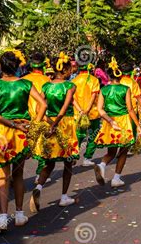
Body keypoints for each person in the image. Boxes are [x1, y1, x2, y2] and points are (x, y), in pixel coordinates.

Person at [0, 50, 47, 231]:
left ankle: (3, 218)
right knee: (19, 175)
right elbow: (43, 104)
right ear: (17, 66)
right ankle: (20, 215)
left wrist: (12, 124)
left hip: (1, 133)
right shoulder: (26, 84)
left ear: (0, 66)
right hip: (22, 132)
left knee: (3, 177)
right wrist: (34, 125)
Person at [30, 52, 79, 212]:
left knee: (49, 162)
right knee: (68, 163)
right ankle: (64, 197)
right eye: (70, 68)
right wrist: (55, 124)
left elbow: (39, 107)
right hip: (65, 125)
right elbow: (65, 108)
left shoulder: (46, 86)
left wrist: (47, 122)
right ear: (64, 70)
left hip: (48, 121)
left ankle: (39, 187)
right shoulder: (70, 86)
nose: (72, 71)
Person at [93, 57, 141, 187]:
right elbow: (130, 109)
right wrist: (138, 125)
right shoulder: (125, 89)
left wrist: (109, 120)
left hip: (110, 122)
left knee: (111, 151)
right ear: (120, 75)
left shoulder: (104, 90)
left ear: (108, 76)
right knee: (123, 151)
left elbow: (100, 109)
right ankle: (116, 178)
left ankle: (102, 165)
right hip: (124, 121)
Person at [22, 53, 51, 184]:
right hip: (43, 117)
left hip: (26, 118)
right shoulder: (47, 81)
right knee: (43, 147)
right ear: (44, 65)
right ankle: (39, 174)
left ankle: (14, 175)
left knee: (23, 147)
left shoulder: (23, 80)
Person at [72, 63, 101, 167]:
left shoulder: (74, 81)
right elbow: (94, 95)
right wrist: (87, 109)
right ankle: (87, 158)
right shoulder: (94, 80)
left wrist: (80, 110)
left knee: (78, 136)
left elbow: (72, 98)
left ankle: (73, 156)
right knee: (93, 135)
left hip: (78, 113)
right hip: (92, 113)